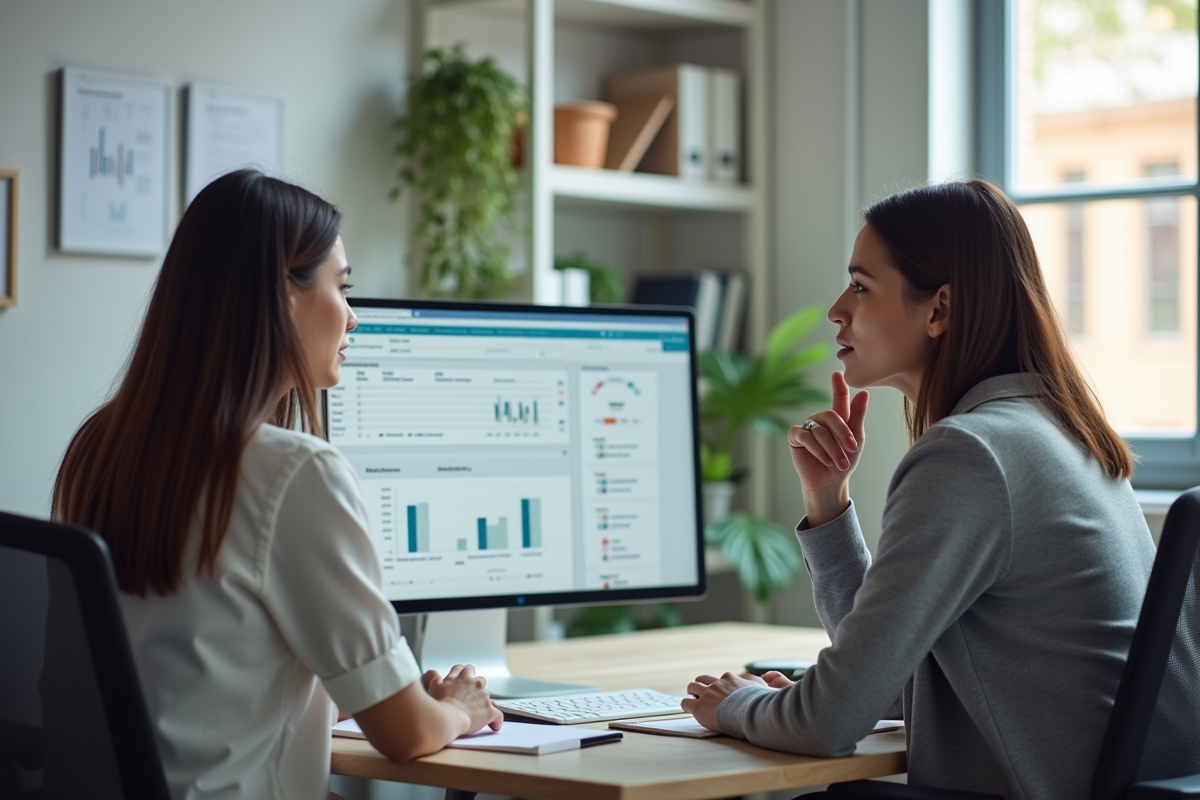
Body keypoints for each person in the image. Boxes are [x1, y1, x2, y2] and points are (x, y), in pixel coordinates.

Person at [681, 179, 1155, 799]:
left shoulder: (972, 455)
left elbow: (827, 724)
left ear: (938, 310)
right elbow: (893, 683)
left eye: (861, 286)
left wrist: (735, 704)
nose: (836, 310)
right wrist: (827, 502)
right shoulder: (1056, 431)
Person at [52, 170, 502, 800]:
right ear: (282, 295)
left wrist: (381, 691)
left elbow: (188, 678)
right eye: (342, 288)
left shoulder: (98, 447)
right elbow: (406, 735)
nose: (352, 318)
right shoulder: (293, 473)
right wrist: (458, 708)